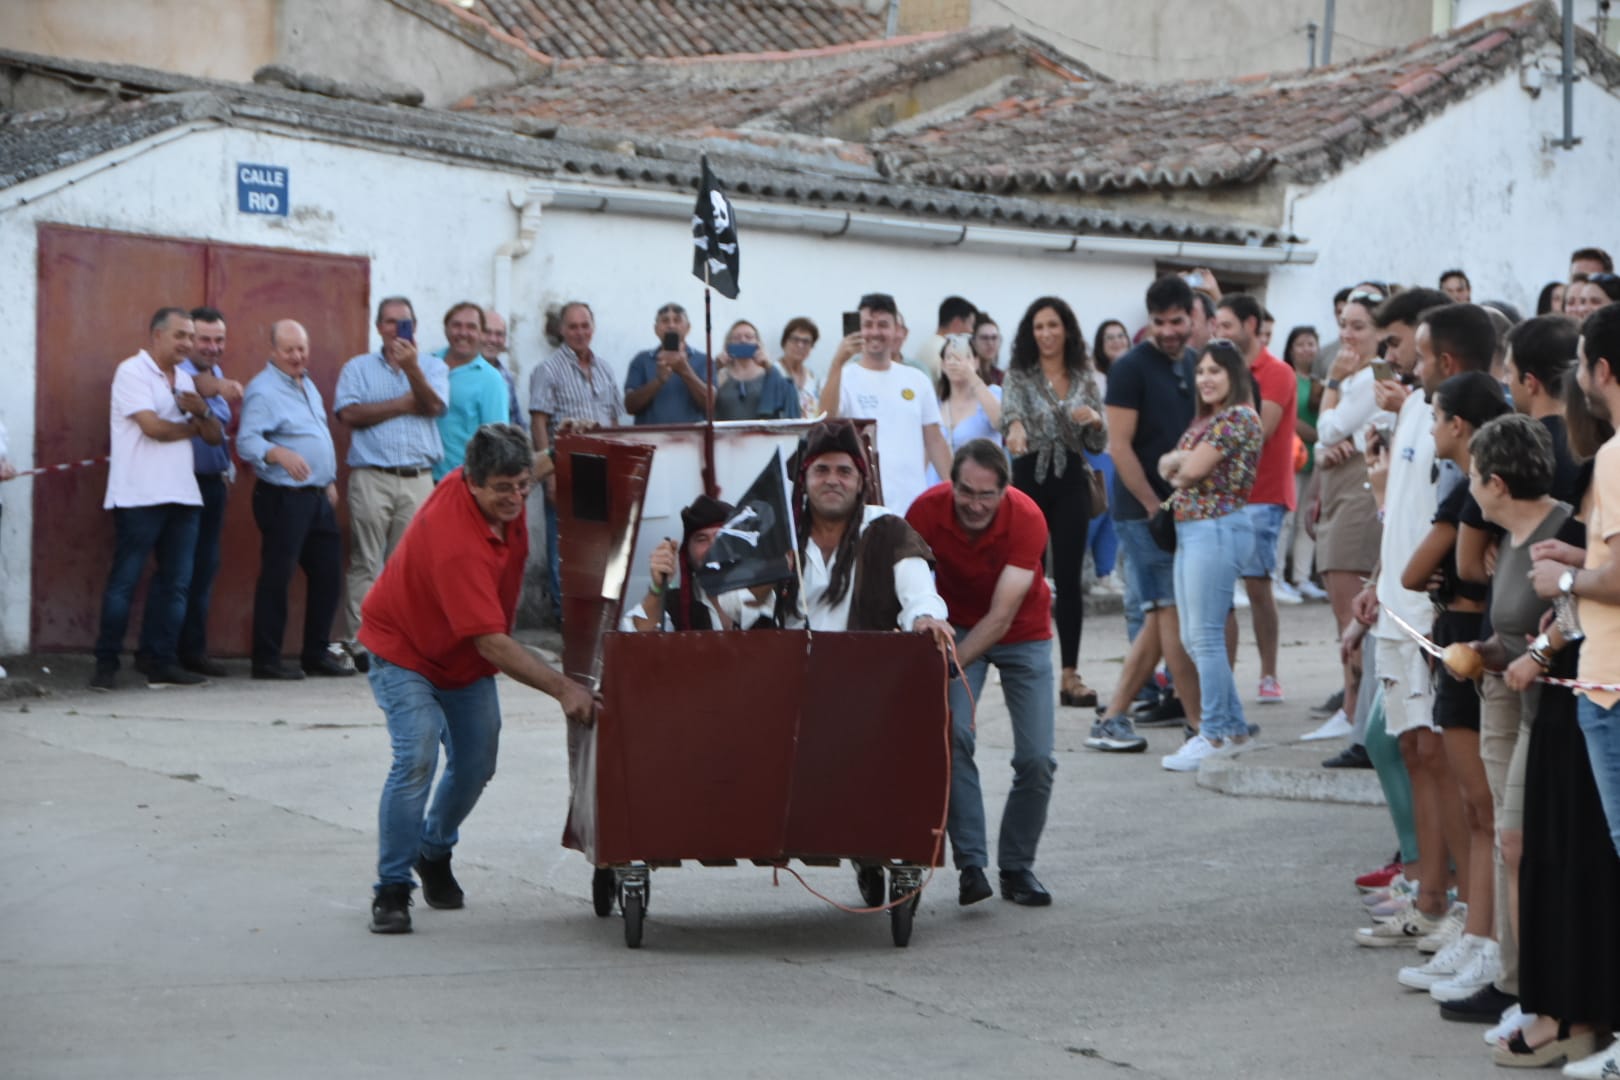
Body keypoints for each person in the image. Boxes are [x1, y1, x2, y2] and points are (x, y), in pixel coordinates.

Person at [361, 424, 594, 934]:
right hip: (404, 650)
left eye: (521, 486)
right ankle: (392, 888)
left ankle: (434, 847)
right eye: (502, 488)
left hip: (461, 655)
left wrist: (557, 451)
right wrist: (564, 689)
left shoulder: (488, 483)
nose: (514, 497)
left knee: (477, 761)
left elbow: (531, 464)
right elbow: (491, 642)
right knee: (417, 755)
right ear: (470, 483)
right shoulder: (456, 541)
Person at [1353, 297, 1494, 951]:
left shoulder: (1465, 424)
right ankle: (1429, 897)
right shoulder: (1414, 407)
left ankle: (1467, 908)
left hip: (1434, 618)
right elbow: (1404, 512)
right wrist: (1379, 586)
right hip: (1395, 608)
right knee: (1414, 750)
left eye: (1404, 340)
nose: (1391, 351)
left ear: (1440, 354)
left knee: (1443, 757)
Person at [1393, 373, 1509, 996]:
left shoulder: (1470, 489)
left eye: (1436, 417)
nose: (1430, 428)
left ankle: (1485, 939)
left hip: (1469, 641)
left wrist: (1451, 571)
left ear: (1459, 425)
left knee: (1483, 807)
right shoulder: (1472, 486)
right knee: (1480, 807)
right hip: (1464, 637)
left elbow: (1420, 570)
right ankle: (1478, 934)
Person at [907, 439, 1057, 907]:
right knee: (954, 737)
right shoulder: (926, 512)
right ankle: (971, 864)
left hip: (1020, 631)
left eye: (985, 496)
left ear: (1005, 491)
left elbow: (1001, 617)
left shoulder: (1028, 518)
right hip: (954, 626)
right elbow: (906, 582)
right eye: (965, 492)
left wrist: (952, 664)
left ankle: (1017, 868)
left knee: (1037, 759)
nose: (974, 504)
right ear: (951, 484)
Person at [1088, 275, 1203, 753]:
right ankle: (1201, 725)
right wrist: (1156, 508)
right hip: (1141, 513)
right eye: (1159, 322)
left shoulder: (1198, 362)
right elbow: (1119, 447)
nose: (1169, 330)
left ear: (1192, 316)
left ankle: (1113, 716)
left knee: (1160, 618)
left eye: (1177, 320)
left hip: (1182, 511)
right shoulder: (1130, 368)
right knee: (1168, 614)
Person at [89, 307, 223, 691]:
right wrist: (194, 428)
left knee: (176, 584)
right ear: (157, 335)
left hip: (183, 494)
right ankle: (106, 663)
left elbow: (214, 437)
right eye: (180, 335)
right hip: (139, 494)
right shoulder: (132, 371)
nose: (187, 343)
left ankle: (160, 661)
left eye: (191, 336)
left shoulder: (185, 378)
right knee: (124, 582)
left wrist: (202, 414)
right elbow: (152, 429)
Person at [1155, 341, 1263, 772]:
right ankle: (1232, 728)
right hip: (1194, 529)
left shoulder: (1239, 417)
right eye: (1201, 371)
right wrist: (1180, 463)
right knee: (1192, 637)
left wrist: (1180, 463)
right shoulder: (1207, 421)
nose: (1206, 378)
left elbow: (1191, 471)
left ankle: (1213, 732)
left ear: (1235, 375)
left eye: (1216, 370)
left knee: (1205, 635)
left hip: (1217, 529)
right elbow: (1172, 468)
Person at [334, 296, 449, 672]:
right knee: (365, 561)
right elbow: (349, 413)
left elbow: (432, 407)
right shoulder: (357, 368)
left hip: (417, 479)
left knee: (411, 567)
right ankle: (363, 644)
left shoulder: (432, 366)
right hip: (372, 475)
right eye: (390, 322)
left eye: (405, 322)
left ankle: (401, 644)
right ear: (379, 327)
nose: (398, 328)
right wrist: (402, 403)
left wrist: (412, 370)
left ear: (414, 327)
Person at [1002, 296, 1106, 709]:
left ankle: (1069, 673)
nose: (1046, 334)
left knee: (1069, 579)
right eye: (1039, 327)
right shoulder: (1020, 376)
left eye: (1053, 326)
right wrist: (1014, 427)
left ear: (1067, 330)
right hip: (1029, 477)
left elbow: (1097, 445)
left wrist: (1095, 421)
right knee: (1027, 575)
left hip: (1071, 481)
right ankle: (1026, 667)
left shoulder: (1084, 376)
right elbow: (1010, 414)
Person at [237, 319, 350, 681]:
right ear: (273, 351)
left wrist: (328, 479)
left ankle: (315, 654)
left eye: (301, 348)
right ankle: (266, 661)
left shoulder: (307, 384)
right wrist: (278, 453)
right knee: (278, 576)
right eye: (289, 350)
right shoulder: (263, 390)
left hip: (315, 496)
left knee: (329, 574)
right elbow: (247, 442)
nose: (297, 356)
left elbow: (315, 435)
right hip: (283, 497)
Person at [1302, 287, 1392, 742]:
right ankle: (1352, 705)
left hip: (1357, 498)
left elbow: (1328, 427)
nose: (1347, 335)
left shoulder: (1371, 378)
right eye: (1343, 325)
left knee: (1350, 612)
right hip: (1341, 493)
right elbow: (1324, 443)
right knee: (1343, 609)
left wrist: (1333, 384)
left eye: (1358, 326)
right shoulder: (1363, 376)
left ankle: (1355, 709)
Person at [1214, 294, 1297, 700]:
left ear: (1251, 325)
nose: (1219, 333)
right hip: (1222, 496)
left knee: (1257, 584)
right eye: (1216, 325)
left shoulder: (1277, 372)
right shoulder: (1218, 370)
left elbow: (1256, 434)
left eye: (1227, 325)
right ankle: (1224, 675)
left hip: (1263, 494)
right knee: (1221, 588)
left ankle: (1269, 674)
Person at [529, 301, 623, 623]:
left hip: (605, 467)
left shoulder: (606, 368)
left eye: (585, 326)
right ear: (561, 330)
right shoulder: (548, 369)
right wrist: (549, 475)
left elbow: (613, 418)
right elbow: (539, 422)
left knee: (600, 542)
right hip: (566, 467)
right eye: (573, 327)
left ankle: (598, 612)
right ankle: (565, 616)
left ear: (592, 328)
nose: (580, 333)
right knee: (564, 544)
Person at [818, 293, 951, 515]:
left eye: (883, 325)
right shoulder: (843, 376)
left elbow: (935, 439)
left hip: (912, 501)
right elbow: (825, 419)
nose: (875, 332)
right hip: (862, 503)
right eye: (867, 325)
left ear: (896, 330)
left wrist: (952, 488)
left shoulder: (917, 379)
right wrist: (838, 362)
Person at [175, 306, 241, 677]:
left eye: (219, 340)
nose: (213, 347)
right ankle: (165, 654)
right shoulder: (181, 371)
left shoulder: (214, 373)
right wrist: (221, 387)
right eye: (205, 339)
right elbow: (192, 389)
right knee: (180, 572)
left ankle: (193, 652)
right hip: (184, 484)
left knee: (203, 571)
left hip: (213, 485)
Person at [622, 494, 774, 632]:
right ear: (687, 556)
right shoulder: (675, 603)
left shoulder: (771, 593)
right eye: (702, 539)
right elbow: (634, 639)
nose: (714, 547)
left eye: (722, 536)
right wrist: (657, 589)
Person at [434, 303, 508, 481]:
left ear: (481, 334)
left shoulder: (491, 379)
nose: (463, 333)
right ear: (446, 329)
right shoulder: (428, 364)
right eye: (456, 325)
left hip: (462, 481)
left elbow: (496, 441)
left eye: (471, 327)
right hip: (420, 479)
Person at [1281, 325, 1326, 600]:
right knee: (1286, 520)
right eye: (1301, 344)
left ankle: (1302, 576)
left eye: (1312, 343)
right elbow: (1287, 415)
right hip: (1292, 457)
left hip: (1316, 458)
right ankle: (1277, 575)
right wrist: (1316, 434)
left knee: (1308, 520)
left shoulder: (1322, 382)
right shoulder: (1288, 377)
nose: (1307, 349)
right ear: (1291, 348)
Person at [623, 302, 713, 425]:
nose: (671, 325)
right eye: (665, 321)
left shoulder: (704, 360)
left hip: (692, 440)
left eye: (677, 320)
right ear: (656, 329)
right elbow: (630, 406)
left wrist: (684, 370)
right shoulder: (641, 360)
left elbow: (711, 404)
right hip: (650, 440)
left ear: (688, 327)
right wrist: (659, 381)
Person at [933, 327, 1002, 471]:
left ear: (976, 362)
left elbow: (1000, 422)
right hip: (939, 483)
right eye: (950, 357)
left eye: (965, 356)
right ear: (943, 365)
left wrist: (970, 374)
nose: (956, 362)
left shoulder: (992, 394)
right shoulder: (936, 405)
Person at [714, 320, 800, 421]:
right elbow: (704, 405)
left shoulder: (770, 374)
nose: (743, 341)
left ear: (758, 343)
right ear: (728, 344)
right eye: (736, 338)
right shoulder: (720, 375)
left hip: (762, 435)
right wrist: (714, 368)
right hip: (727, 436)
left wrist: (768, 366)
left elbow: (786, 399)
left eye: (749, 337)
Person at [911, 295, 977, 382]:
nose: (971, 330)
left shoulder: (928, 345)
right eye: (970, 324)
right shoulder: (945, 351)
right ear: (957, 322)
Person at [478, 309, 524, 428]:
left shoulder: (506, 377)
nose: (493, 340)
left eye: (499, 334)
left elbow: (515, 421)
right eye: (487, 332)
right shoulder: (461, 371)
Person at [777, 317, 822, 419]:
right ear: (784, 342)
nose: (800, 345)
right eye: (795, 340)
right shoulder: (774, 372)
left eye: (806, 341)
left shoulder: (813, 378)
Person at [971, 313, 1005, 385]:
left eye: (994, 337)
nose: (990, 343)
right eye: (984, 338)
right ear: (973, 342)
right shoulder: (966, 374)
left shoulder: (1002, 377)